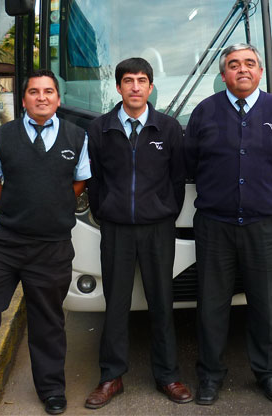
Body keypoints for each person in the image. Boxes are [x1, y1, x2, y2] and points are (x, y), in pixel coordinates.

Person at [0, 70, 90, 416]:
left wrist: (51, 208)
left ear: (58, 98)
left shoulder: (77, 136)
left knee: (48, 319)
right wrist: (18, 206)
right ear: (24, 98)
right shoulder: (3, 136)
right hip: (6, 240)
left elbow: (79, 184)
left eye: (49, 91)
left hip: (52, 245)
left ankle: (52, 389)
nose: (42, 97)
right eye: (34, 91)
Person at [184, 43, 272, 406]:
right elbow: (190, 162)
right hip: (214, 225)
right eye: (234, 65)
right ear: (223, 74)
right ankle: (209, 376)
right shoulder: (205, 112)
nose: (243, 69)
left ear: (260, 73)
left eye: (250, 64)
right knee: (211, 304)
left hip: (264, 226)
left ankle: (268, 374)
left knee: (264, 303)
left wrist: (269, 191)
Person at [84, 57, 192, 409]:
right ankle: (111, 376)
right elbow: (94, 181)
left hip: (157, 229)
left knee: (162, 301)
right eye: (128, 80)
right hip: (115, 229)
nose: (134, 86)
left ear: (150, 87)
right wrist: (107, 212)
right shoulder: (99, 129)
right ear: (118, 87)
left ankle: (168, 375)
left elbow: (177, 180)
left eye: (141, 80)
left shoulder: (168, 128)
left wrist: (163, 211)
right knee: (116, 303)